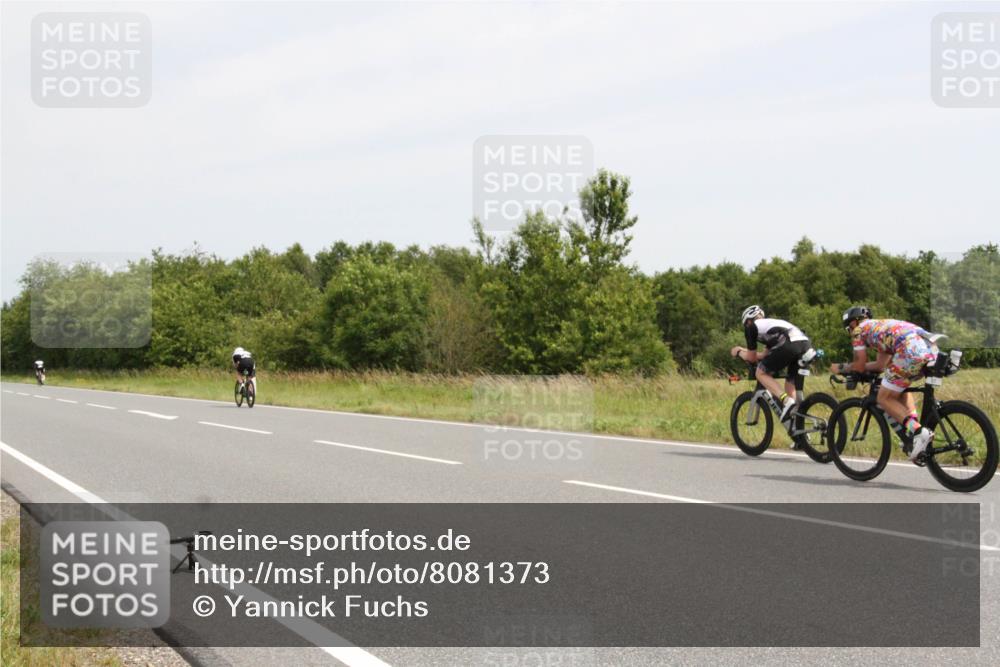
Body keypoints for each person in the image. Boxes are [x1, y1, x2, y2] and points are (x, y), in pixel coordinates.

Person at [830, 306, 937, 461]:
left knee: (883, 398)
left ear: (853, 322)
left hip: (911, 351)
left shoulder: (858, 331)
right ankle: (912, 434)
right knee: (899, 386)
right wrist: (856, 368)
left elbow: (860, 365)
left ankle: (918, 432)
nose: (850, 331)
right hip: (929, 347)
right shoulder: (880, 328)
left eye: (848, 328)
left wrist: (841, 368)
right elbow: (880, 366)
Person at [731, 305, 812, 424]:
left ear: (748, 321)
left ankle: (785, 401)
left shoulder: (751, 327)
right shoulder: (772, 326)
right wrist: (745, 350)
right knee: (790, 387)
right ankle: (800, 435)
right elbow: (763, 355)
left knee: (760, 372)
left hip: (789, 344)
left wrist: (738, 351)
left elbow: (752, 358)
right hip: (805, 344)